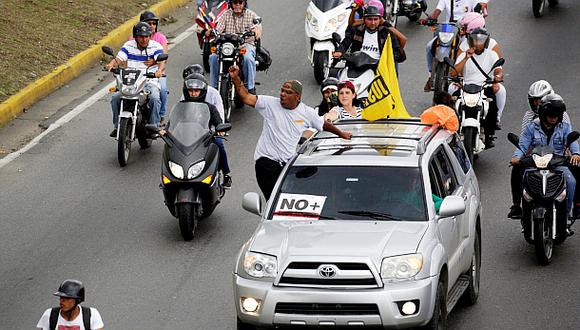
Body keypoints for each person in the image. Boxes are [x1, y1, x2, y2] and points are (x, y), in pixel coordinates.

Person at [229, 65, 352, 200]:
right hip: (266, 162)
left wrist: (342, 134)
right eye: (282, 91)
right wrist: (236, 78)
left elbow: (324, 124)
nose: (282, 94)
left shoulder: (306, 112)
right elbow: (246, 97)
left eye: (288, 92)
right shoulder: (269, 104)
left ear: (297, 97)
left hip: (288, 163)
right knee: (273, 199)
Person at [511, 94, 580, 218]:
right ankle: (517, 206)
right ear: (543, 114)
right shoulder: (531, 127)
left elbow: (572, 141)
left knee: (571, 180)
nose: (554, 118)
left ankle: (569, 213)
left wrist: (575, 154)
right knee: (517, 171)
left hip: (557, 162)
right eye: (551, 115)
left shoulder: (564, 127)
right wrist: (517, 157)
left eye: (557, 115)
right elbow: (522, 145)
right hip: (535, 162)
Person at [171, 73, 232, 188]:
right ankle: (167, 177)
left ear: (202, 91)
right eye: (191, 90)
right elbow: (172, 123)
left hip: (205, 138)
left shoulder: (210, 107)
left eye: (196, 91)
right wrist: (165, 130)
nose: (193, 93)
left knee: (219, 143)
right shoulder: (180, 106)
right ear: (186, 91)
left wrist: (220, 130)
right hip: (185, 137)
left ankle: (226, 173)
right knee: (170, 146)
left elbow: (218, 122)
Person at [105, 22, 165, 137]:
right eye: (141, 36)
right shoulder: (128, 45)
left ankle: (154, 126)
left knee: (154, 98)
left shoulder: (156, 46)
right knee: (115, 98)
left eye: (146, 36)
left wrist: (159, 71)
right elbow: (119, 58)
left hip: (149, 80)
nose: (144, 39)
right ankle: (117, 127)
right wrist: (111, 65)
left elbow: (161, 60)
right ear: (136, 36)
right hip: (130, 81)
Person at [450, 27, 504, 148]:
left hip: (484, 87)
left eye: (481, 40)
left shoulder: (492, 55)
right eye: (475, 40)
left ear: (486, 41)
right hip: (466, 87)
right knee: (452, 104)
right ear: (470, 41)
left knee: (492, 108)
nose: (478, 43)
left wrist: (498, 77)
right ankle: (451, 133)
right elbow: (453, 73)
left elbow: (498, 70)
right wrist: (466, 57)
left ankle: (489, 136)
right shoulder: (464, 55)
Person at [421, 0, 489, 92]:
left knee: (465, 49)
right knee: (429, 46)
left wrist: (481, 8)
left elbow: (479, 8)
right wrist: (429, 19)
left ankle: (463, 76)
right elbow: (437, 11)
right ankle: (430, 76)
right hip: (448, 29)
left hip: (464, 30)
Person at [208, 0, 262, 94]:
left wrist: (257, 30)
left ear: (244, 4)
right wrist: (213, 31)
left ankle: (250, 87)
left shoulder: (251, 15)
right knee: (213, 57)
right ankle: (214, 88)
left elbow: (257, 27)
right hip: (227, 45)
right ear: (231, 4)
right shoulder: (226, 14)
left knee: (248, 58)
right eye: (235, 3)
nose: (237, 5)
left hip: (245, 44)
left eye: (240, 2)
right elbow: (218, 29)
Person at [333, 6, 407, 70]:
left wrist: (388, 60)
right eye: (370, 19)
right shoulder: (356, 30)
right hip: (356, 66)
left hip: (378, 68)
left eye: (375, 19)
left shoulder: (386, 33)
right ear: (364, 19)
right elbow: (345, 43)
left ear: (380, 20)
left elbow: (396, 51)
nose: (373, 23)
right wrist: (340, 51)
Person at [137, 11, 170, 124]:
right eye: (149, 23)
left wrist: (155, 62)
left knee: (163, 90)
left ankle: (160, 116)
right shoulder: (133, 38)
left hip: (156, 73)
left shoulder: (160, 38)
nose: (151, 26)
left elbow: (164, 58)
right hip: (138, 73)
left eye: (153, 23)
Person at [37, 279, 104, 330]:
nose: (62, 301)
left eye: (67, 298)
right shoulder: (50, 315)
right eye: (61, 297)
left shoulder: (91, 315)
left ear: (78, 300)